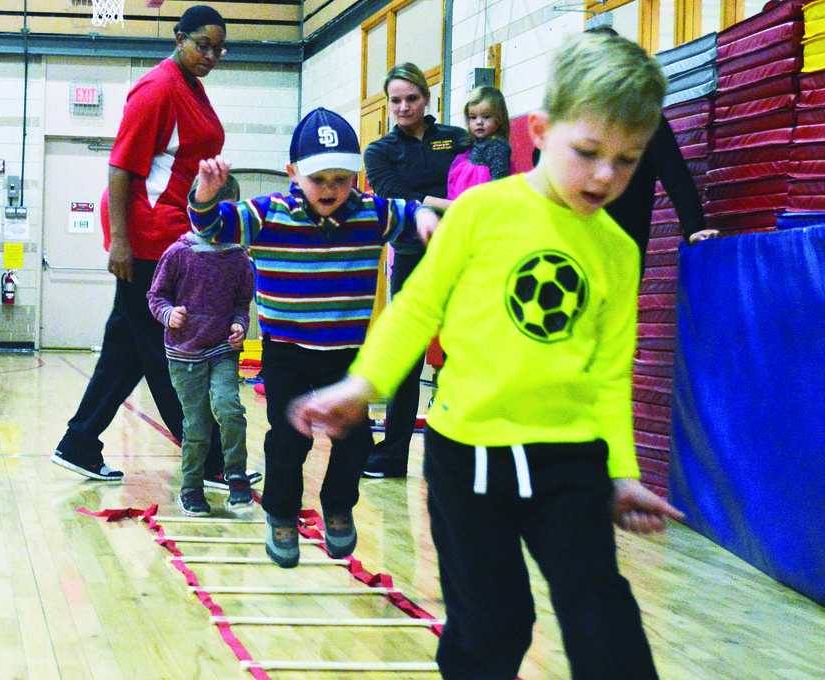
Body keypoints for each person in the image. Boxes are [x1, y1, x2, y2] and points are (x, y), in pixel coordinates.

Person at [289, 32, 686, 679]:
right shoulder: (480, 213)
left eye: (628, 159)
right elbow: (416, 308)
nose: (607, 175)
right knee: (495, 621)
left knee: (604, 620)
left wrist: (620, 469)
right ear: (542, 130)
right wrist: (364, 385)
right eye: (588, 153)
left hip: (569, 461)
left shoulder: (617, 250)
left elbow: (611, 372)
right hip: (468, 457)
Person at [189, 107, 440, 568]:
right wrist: (204, 195)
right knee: (289, 438)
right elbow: (210, 227)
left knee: (356, 437)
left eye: (342, 180)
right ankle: (281, 512)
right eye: (319, 179)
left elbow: (409, 213)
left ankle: (338, 503)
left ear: (357, 179)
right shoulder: (269, 215)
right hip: (287, 352)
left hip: (346, 353)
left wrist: (426, 219)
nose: (330, 190)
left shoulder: (370, 212)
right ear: (293, 175)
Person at [51, 5, 259, 489]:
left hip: (171, 226)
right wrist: (121, 242)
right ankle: (205, 461)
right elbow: (121, 167)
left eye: (218, 48)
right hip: (149, 234)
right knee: (172, 349)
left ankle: (79, 442)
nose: (210, 54)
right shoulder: (159, 89)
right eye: (201, 44)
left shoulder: (191, 87)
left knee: (129, 345)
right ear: (178, 37)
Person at [361, 63, 469, 479]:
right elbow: (396, 195)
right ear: (388, 105)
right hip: (411, 254)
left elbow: (478, 182)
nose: (404, 107)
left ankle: (464, 452)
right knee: (406, 356)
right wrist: (443, 203)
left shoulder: (457, 139)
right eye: (396, 100)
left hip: (462, 253)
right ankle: (392, 454)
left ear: (427, 98)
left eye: (412, 98)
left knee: (465, 349)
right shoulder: (380, 151)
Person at [532, 25, 718, 266]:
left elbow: (675, 175)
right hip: (570, 234)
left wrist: (694, 227)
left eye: (625, 158)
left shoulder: (645, 120)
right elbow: (541, 163)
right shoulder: (567, 117)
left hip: (623, 235)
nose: (605, 174)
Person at [147, 174, 255, 516]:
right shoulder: (179, 253)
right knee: (196, 426)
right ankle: (192, 486)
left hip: (222, 350)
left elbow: (241, 302)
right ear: (196, 208)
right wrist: (167, 314)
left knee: (229, 408)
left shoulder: (238, 257)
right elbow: (156, 295)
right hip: (185, 354)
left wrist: (240, 324)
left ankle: (235, 474)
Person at [446, 85, 512, 200]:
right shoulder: (477, 141)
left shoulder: (497, 146)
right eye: (473, 117)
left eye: (486, 117)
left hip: (483, 194)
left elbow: (499, 180)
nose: (479, 122)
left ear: (500, 119)